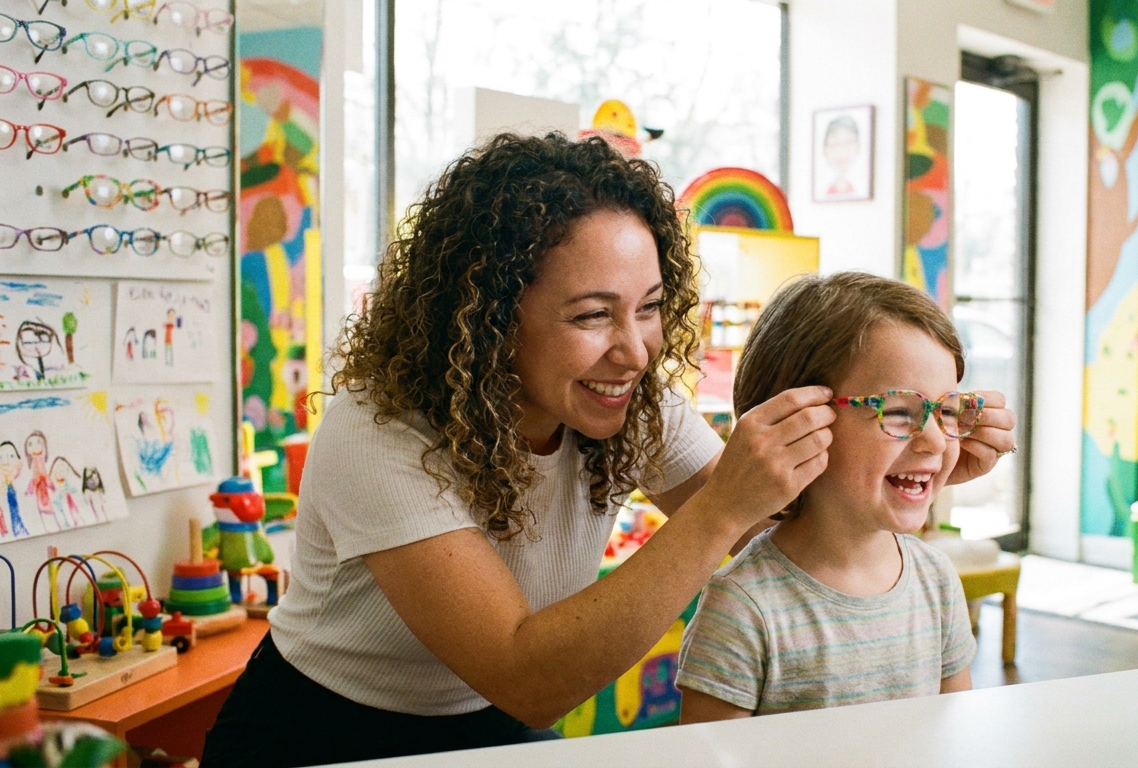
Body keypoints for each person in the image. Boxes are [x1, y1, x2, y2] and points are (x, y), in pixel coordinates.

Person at [202, 134, 1015, 766]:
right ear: (490, 317)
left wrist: (921, 460)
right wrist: (721, 508)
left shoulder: (630, 399)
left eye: (650, 308)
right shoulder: (379, 432)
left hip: (487, 726)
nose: (635, 351)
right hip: (324, 732)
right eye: (593, 315)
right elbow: (528, 679)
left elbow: (787, 524)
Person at [677, 273, 978, 722]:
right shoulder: (742, 606)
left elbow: (953, 735)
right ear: (799, 421)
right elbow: (709, 753)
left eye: (948, 410)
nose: (936, 440)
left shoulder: (936, 580)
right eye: (899, 411)